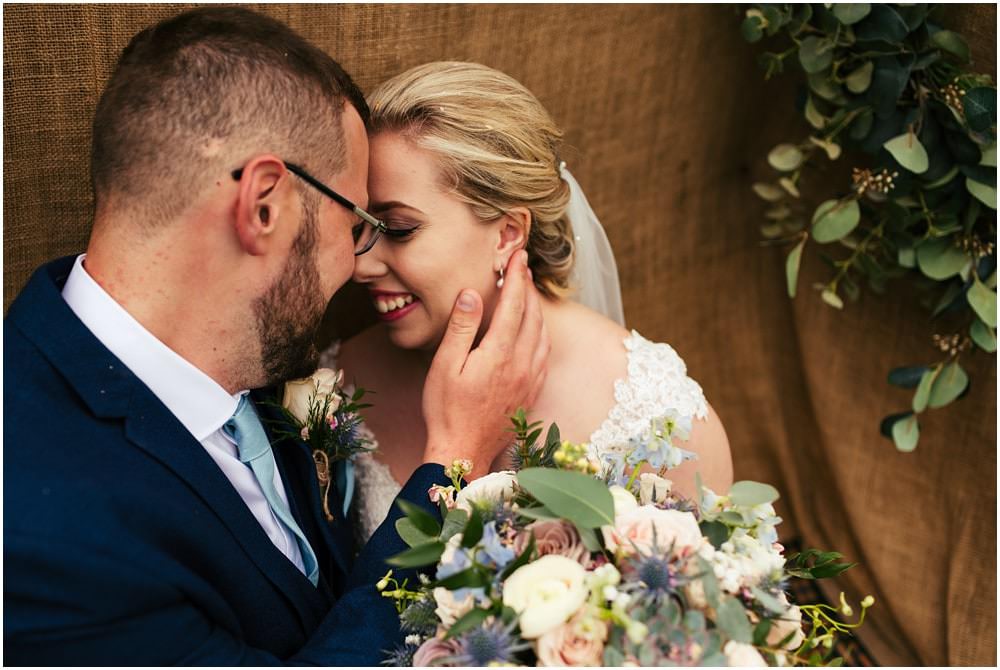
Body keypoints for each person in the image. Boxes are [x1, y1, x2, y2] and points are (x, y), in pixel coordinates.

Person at [3, 10, 547, 666]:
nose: (356, 266)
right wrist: (455, 460)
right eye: (355, 226)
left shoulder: (257, 358)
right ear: (265, 207)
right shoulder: (42, 539)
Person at [326, 62, 734, 543]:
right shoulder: (337, 387)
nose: (360, 266)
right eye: (360, 230)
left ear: (508, 233)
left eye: (398, 229)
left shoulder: (658, 416)